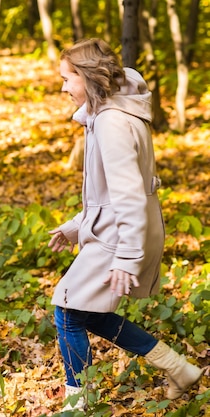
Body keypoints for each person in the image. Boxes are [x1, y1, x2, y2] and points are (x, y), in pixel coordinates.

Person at [47, 38, 202, 411]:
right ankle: (178, 368)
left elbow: (128, 195)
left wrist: (127, 257)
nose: (64, 87)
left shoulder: (111, 122)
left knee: (67, 310)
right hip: (117, 228)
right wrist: (74, 226)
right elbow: (109, 194)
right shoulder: (111, 114)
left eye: (68, 78)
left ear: (87, 77)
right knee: (88, 312)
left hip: (119, 236)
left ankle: (78, 401)